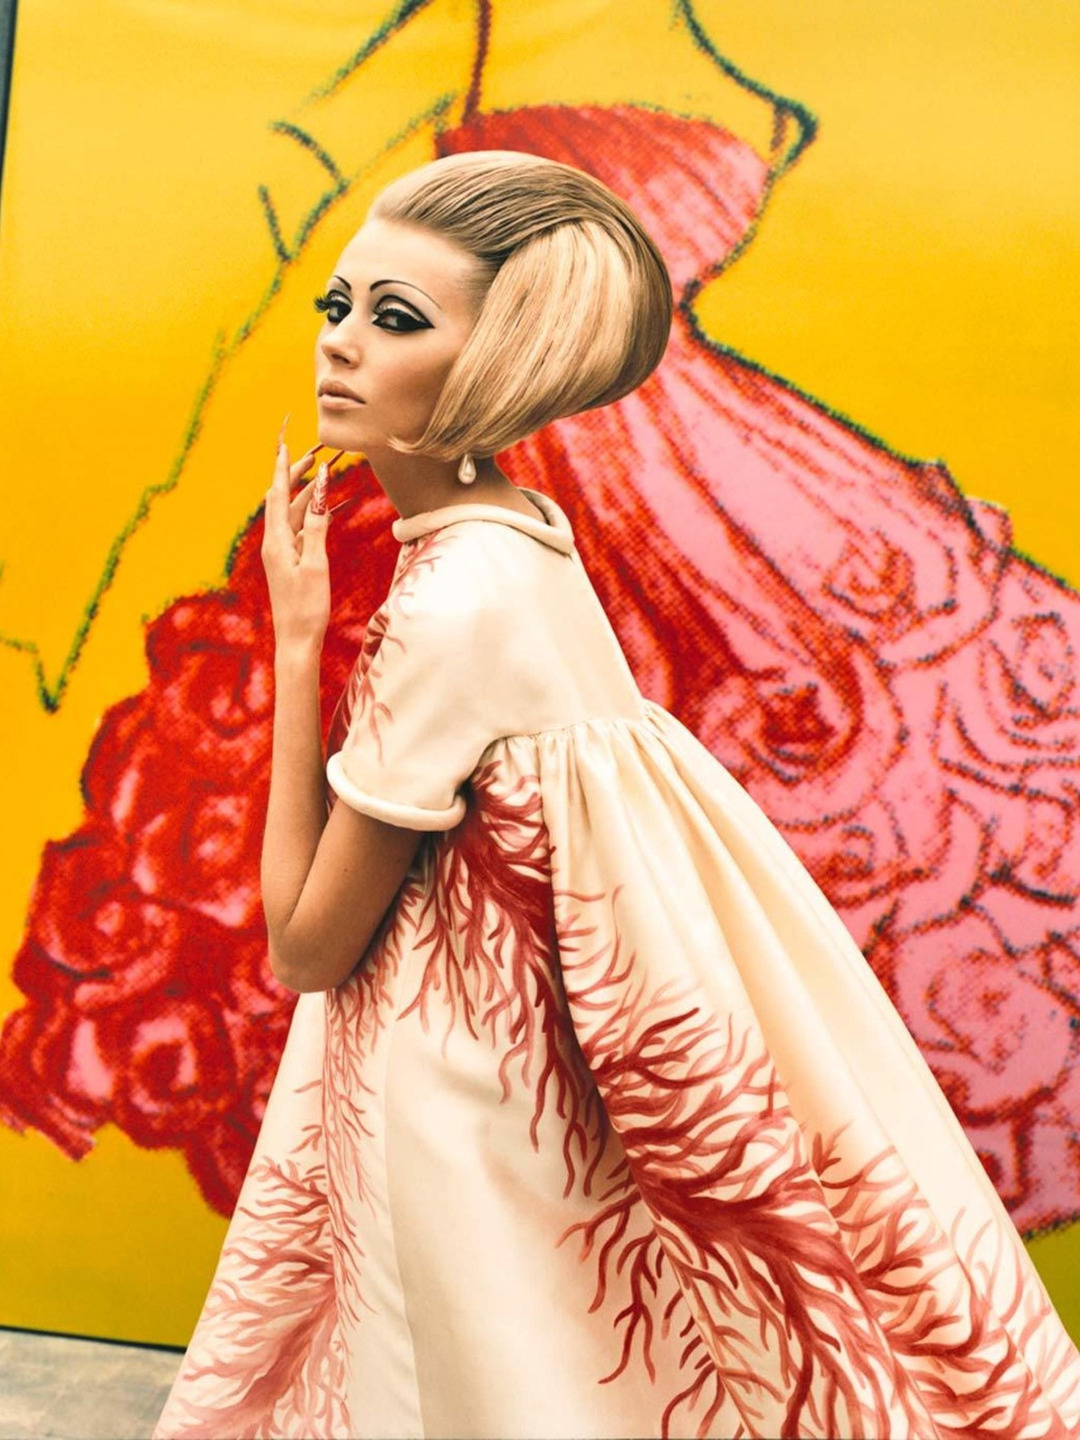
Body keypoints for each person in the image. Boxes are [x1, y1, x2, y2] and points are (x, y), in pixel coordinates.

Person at [152, 151, 1080, 1440]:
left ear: (502, 359)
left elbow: (307, 947)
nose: (342, 345)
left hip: (457, 1089)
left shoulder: (450, 603)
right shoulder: (525, 537)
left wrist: (298, 640)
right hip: (523, 1065)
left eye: (398, 318)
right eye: (339, 305)